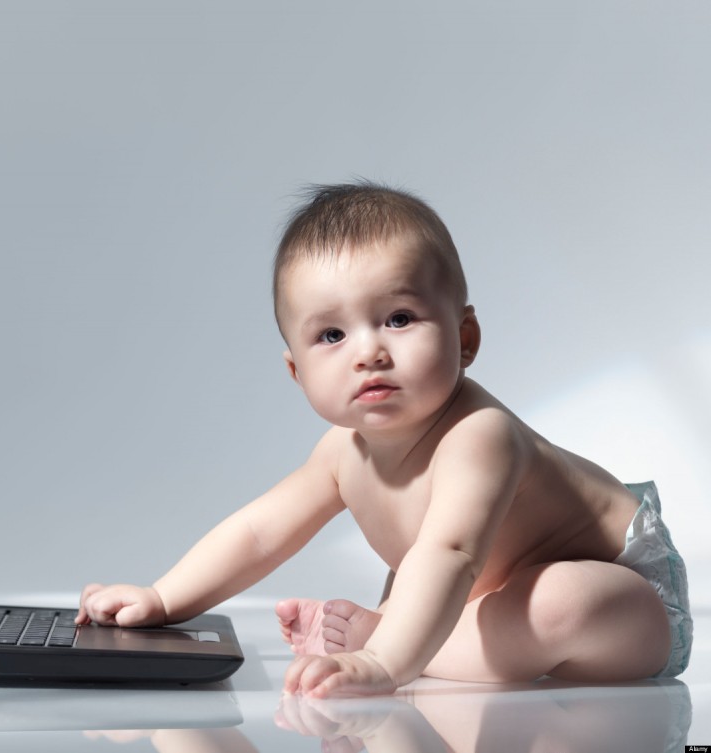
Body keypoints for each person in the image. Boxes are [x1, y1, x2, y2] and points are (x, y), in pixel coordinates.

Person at [76, 181, 692, 698]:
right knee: (467, 596)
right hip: (477, 606)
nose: (369, 352)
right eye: (331, 336)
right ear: (296, 371)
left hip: (628, 598)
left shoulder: (481, 435)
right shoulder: (342, 454)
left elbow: (452, 553)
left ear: (465, 336)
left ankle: (399, 642)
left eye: (399, 319)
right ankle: (406, 635)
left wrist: (380, 662)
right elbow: (259, 532)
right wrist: (162, 598)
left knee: (561, 599)